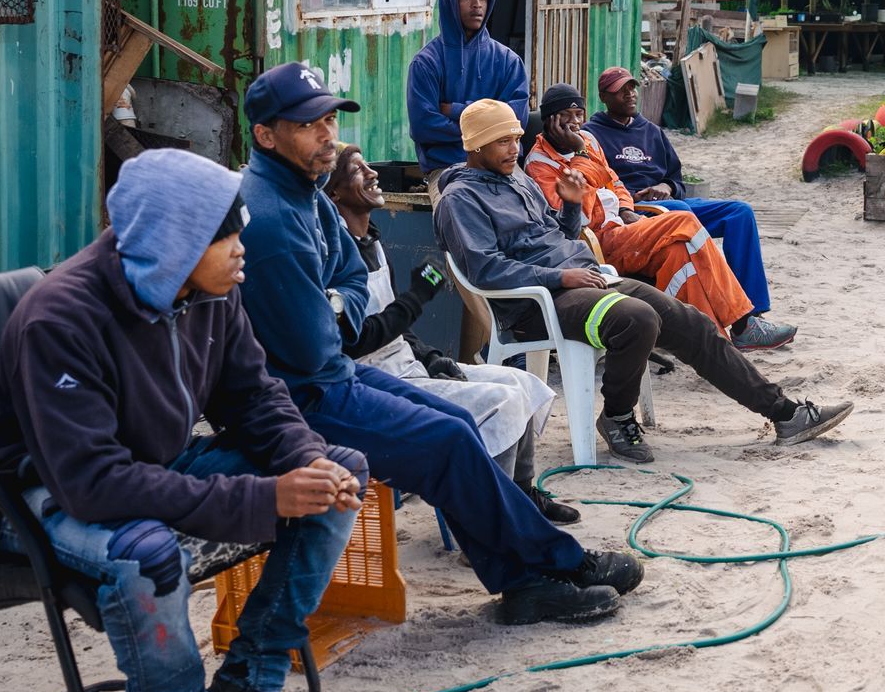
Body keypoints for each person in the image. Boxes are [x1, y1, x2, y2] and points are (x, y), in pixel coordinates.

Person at [0, 149, 367, 692]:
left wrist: (305, 457)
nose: (245, 247)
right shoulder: (59, 319)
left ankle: (247, 686)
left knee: (337, 474)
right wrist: (266, 497)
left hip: (146, 461)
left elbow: (254, 396)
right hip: (34, 491)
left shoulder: (206, 289)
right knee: (143, 554)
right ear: (175, 241)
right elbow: (92, 484)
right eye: (229, 235)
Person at [236, 60, 642, 623]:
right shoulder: (273, 217)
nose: (327, 136)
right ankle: (537, 576)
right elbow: (317, 344)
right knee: (445, 440)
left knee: (455, 429)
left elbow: (351, 284)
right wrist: (342, 309)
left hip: (333, 371)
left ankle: (542, 570)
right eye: (308, 126)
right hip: (297, 395)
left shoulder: (304, 193)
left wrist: (338, 302)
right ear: (265, 134)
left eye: (330, 120)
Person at [435, 97, 854, 464]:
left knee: (692, 323)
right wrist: (559, 274)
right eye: (503, 142)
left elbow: (558, 237)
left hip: (585, 282)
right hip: (537, 305)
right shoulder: (460, 199)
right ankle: (617, 416)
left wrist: (568, 206)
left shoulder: (517, 180)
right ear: (474, 146)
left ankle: (784, 413)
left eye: (515, 138)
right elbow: (484, 268)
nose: (514, 149)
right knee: (637, 319)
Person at [325, 142, 576, 524]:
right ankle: (489, 520)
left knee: (522, 382)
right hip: (373, 383)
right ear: (333, 193)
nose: (373, 174)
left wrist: (430, 356)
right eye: (358, 171)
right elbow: (356, 339)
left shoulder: (373, 242)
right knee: (501, 401)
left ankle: (521, 496)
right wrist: (416, 297)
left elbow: (399, 331)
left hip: (406, 366)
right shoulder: (337, 258)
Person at [582, 65, 796, 350]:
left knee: (739, 212)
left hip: (670, 200)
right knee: (681, 211)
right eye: (621, 90)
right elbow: (600, 188)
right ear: (603, 97)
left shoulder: (652, 131)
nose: (630, 94)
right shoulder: (591, 135)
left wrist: (667, 187)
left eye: (632, 87)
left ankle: (753, 313)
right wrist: (633, 200)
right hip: (635, 209)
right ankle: (736, 319)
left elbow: (676, 178)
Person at [525, 82, 760, 339]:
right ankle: (742, 323)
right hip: (596, 242)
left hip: (623, 228)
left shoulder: (588, 140)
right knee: (683, 220)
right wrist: (580, 152)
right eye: (565, 117)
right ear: (550, 121)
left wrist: (626, 209)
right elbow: (578, 218)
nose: (574, 123)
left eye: (579, 115)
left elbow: (614, 182)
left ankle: (714, 341)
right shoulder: (540, 164)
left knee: (679, 254)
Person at [406, 0, 528, 362]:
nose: (476, 5)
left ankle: (534, 325)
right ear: (449, 2)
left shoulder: (507, 61)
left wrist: (455, 112)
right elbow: (424, 125)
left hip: (502, 167)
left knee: (533, 230)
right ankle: (503, 345)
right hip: (445, 169)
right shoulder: (426, 63)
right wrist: (488, 127)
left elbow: (518, 122)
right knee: (464, 251)